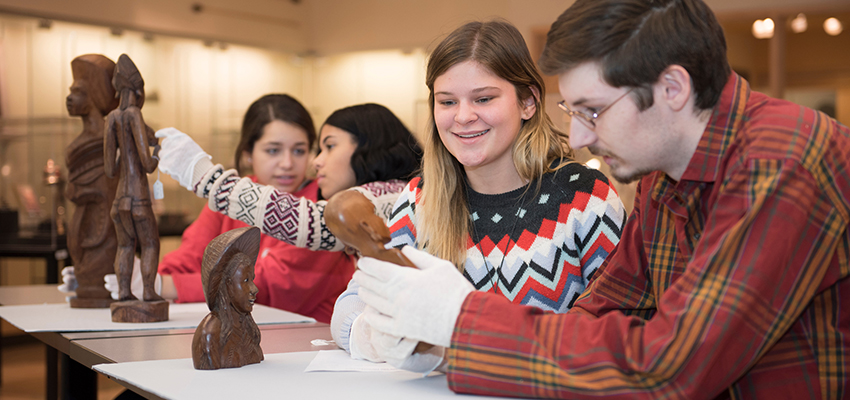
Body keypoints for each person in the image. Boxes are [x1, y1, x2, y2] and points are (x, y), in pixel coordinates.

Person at [353, 0, 850, 398]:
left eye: (593, 111)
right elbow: (606, 311)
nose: (580, 137)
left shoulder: (782, 160)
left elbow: (669, 368)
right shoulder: (664, 171)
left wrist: (462, 320)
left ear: (672, 87)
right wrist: (449, 348)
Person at [334, 20, 626, 371]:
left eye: (483, 98)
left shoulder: (585, 196)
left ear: (529, 101)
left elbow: (616, 328)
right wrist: (381, 336)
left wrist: (453, 347)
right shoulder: (418, 200)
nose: (463, 117)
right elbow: (351, 309)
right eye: (447, 102)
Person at [154, 103, 422, 323]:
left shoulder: (390, 196)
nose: (315, 162)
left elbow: (313, 223)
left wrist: (206, 178)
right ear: (248, 153)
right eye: (273, 150)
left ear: (368, 147)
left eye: (328, 147)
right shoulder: (390, 193)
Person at [104, 54, 163, 304]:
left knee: (125, 246)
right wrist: (159, 152)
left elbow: (110, 169)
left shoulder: (111, 118)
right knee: (150, 244)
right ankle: (148, 292)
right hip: (138, 198)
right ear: (138, 89)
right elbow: (148, 165)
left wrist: (124, 154)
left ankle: (124, 293)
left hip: (119, 201)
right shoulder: (134, 115)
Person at [192, 226, 264, 370]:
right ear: (228, 284)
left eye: (252, 280)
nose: (254, 289)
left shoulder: (249, 329)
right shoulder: (212, 333)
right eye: (245, 281)